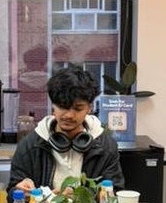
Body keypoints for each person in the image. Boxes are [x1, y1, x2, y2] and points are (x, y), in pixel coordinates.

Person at [8, 64, 124, 193]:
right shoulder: (30, 145)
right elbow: (12, 192)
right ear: (53, 105)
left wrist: (81, 196)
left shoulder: (106, 147)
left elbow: (115, 191)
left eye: (78, 108)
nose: (69, 115)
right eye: (62, 106)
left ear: (89, 108)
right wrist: (20, 191)